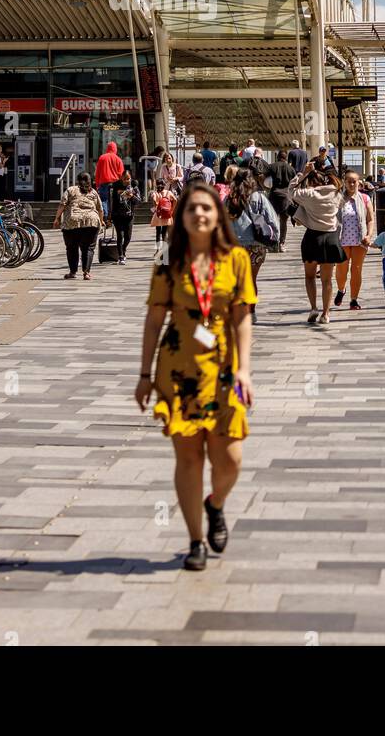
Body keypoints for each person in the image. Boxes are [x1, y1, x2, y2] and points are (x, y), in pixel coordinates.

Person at [136, 182, 256, 571]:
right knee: (188, 459)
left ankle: (215, 503)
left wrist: (244, 370)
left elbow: (242, 316)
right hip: (178, 369)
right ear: (181, 217)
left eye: (206, 208)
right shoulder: (168, 260)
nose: (199, 214)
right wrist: (143, 373)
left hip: (222, 370)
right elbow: (155, 318)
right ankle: (195, 541)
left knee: (230, 459)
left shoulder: (236, 259)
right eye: (191, 209)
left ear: (217, 215)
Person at [288, 165, 344, 326]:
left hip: (313, 237)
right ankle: (326, 313)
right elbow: (342, 205)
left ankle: (313, 308)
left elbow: (291, 190)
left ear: (311, 182)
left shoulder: (309, 194)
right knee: (327, 279)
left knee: (310, 276)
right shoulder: (336, 193)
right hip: (331, 237)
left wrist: (302, 174)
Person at [225, 170, 278, 323]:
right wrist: (274, 239)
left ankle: (239, 309)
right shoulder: (259, 197)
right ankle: (252, 312)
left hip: (235, 244)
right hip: (257, 244)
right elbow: (272, 219)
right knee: (251, 279)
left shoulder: (230, 199)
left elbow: (221, 219)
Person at [334, 169, 376, 310]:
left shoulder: (365, 199)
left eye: (354, 181)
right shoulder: (338, 198)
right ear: (344, 182)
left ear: (359, 182)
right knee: (341, 270)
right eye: (349, 181)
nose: (352, 184)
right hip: (342, 240)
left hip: (360, 240)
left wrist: (369, 235)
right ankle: (341, 289)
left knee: (356, 270)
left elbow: (370, 219)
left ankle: (354, 300)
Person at [53, 172, 104, 280]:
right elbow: (100, 209)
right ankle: (86, 273)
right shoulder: (93, 192)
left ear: (77, 180)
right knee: (88, 248)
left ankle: (72, 272)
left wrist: (57, 218)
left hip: (72, 222)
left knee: (71, 248)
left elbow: (62, 204)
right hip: (91, 221)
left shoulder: (71, 190)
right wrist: (102, 221)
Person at [267, 150, 296, 253]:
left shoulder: (272, 166)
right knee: (283, 221)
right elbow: (295, 183)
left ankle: (273, 243)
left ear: (277, 157)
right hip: (286, 197)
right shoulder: (291, 169)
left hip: (274, 195)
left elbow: (263, 177)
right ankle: (281, 244)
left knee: (272, 220)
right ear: (286, 158)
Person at [111, 168, 140, 263]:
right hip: (117, 215)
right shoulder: (116, 186)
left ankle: (123, 250)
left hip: (129, 215)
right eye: (124, 179)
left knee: (128, 237)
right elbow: (112, 201)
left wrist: (131, 196)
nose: (127, 181)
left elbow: (138, 201)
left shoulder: (134, 186)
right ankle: (121, 256)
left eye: (128, 178)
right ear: (121, 178)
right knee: (120, 235)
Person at [94, 140, 124, 222]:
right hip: (115, 183)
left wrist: (97, 185)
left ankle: (105, 217)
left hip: (103, 182)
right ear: (115, 149)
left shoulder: (102, 158)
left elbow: (98, 173)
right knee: (116, 200)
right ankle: (114, 216)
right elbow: (121, 174)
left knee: (104, 200)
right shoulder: (118, 159)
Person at [150, 178, 176, 246]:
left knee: (158, 232)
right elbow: (175, 200)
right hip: (167, 215)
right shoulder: (169, 192)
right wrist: (172, 209)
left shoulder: (155, 193)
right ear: (164, 185)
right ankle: (165, 251)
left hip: (158, 215)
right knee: (164, 232)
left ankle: (158, 250)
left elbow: (155, 203)